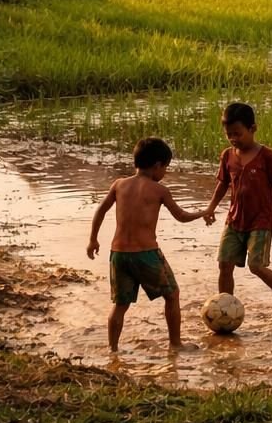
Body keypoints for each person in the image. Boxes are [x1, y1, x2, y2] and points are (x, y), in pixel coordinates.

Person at [86, 137, 208, 350]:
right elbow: (181, 216)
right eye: (166, 168)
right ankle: (175, 344)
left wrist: (93, 239)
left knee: (120, 305)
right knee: (172, 295)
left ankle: (113, 350)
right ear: (157, 165)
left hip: (119, 254)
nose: (164, 173)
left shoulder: (119, 184)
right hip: (146, 254)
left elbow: (101, 210)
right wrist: (203, 212)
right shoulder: (159, 190)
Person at [203, 102, 272, 312]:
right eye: (229, 135)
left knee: (257, 266)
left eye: (238, 133)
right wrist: (211, 208)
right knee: (224, 264)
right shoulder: (227, 156)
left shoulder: (267, 156)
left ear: (252, 129)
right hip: (235, 220)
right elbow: (223, 184)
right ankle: (225, 307)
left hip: (261, 221)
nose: (234, 139)